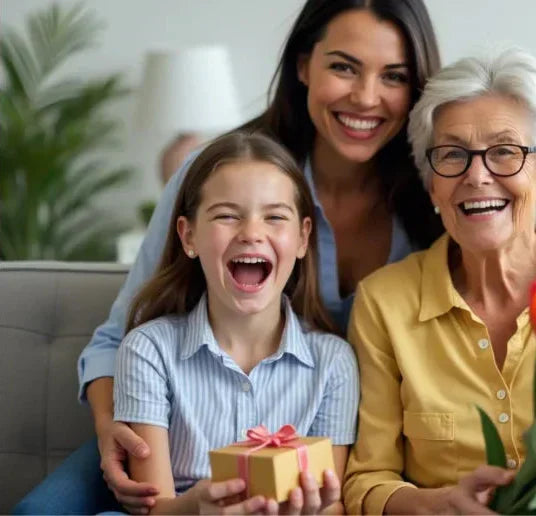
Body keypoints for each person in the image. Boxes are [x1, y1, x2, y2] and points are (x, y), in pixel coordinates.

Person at [13, 1, 536, 513]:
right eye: (343, 67)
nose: (366, 96)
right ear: (303, 66)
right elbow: (118, 337)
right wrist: (110, 435)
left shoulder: (428, 185)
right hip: (173, 435)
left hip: (310, 460)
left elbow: (502, 205)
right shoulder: (224, 176)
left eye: (393, 76)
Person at [342, 47, 536, 516]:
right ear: (432, 186)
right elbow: (367, 481)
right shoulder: (385, 303)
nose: (476, 175)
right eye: (452, 155)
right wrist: (440, 506)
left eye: (505, 152)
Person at [113, 132, 357, 514]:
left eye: (275, 217)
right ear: (188, 235)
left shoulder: (334, 362)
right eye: (227, 215)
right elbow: (153, 507)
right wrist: (195, 506)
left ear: (302, 238)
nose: (252, 234)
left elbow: (333, 502)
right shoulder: (149, 350)